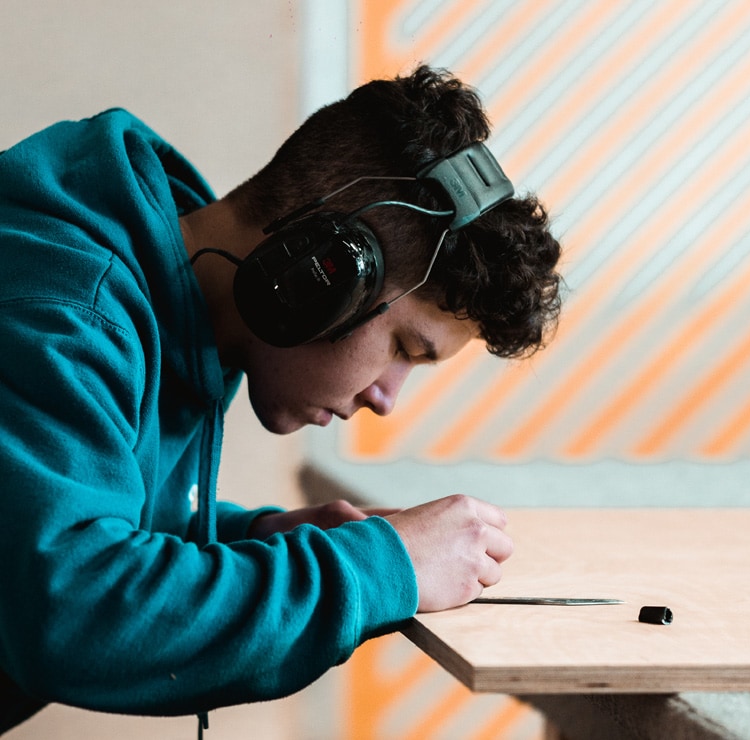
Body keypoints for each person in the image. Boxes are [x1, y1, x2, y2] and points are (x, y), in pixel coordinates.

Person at [0, 65, 561, 734]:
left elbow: (45, 528)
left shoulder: (157, 304)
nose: (387, 399)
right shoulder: (64, 310)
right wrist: (383, 566)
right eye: (406, 349)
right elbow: (71, 613)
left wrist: (256, 539)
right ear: (319, 275)